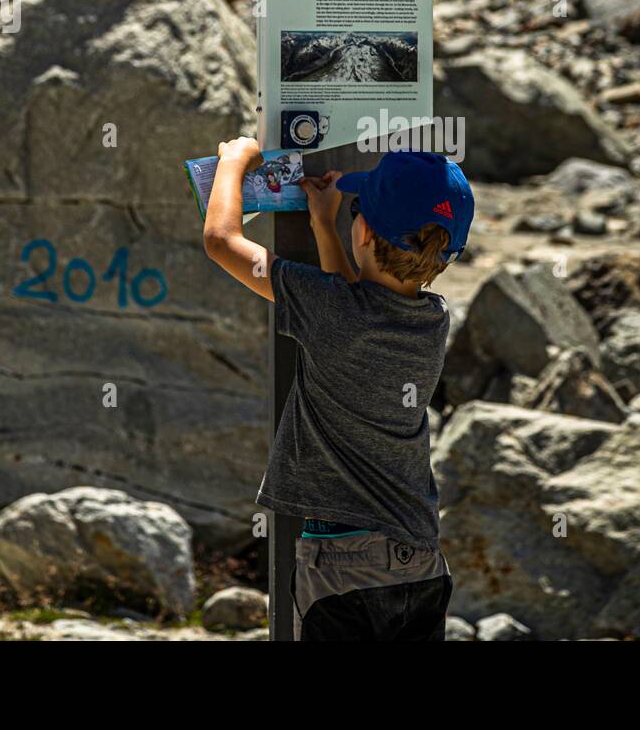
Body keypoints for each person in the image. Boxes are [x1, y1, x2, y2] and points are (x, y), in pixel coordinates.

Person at [203, 138, 474, 640]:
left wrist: (234, 161)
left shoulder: (330, 310)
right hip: (420, 561)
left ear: (365, 231)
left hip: (345, 567)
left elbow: (220, 240)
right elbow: (351, 300)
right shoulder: (433, 320)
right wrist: (325, 224)